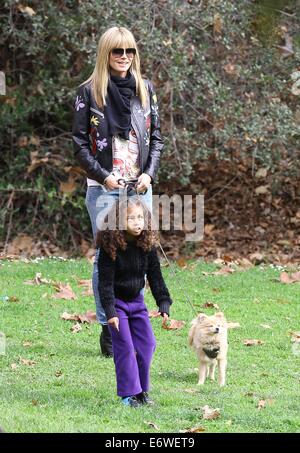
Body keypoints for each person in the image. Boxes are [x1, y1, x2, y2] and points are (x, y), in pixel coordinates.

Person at [72, 26, 164, 357]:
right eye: (117, 51)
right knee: (107, 256)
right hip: (105, 187)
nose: (124, 57)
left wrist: (149, 174)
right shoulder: (88, 92)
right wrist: (103, 175)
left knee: (142, 251)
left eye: (129, 51)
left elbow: (156, 138)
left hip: (139, 186)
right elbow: (80, 143)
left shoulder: (146, 89)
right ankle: (109, 326)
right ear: (106, 54)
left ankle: (136, 319)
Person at [96, 196, 173, 407]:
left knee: (147, 345)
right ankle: (128, 395)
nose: (138, 222)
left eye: (140, 217)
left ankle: (142, 392)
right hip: (118, 305)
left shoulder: (146, 245)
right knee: (126, 348)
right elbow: (104, 284)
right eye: (131, 218)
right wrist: (110, 312)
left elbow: (155, 276)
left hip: (137, 303)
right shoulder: (109, 247)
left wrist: (163, 302)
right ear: (119, 220)